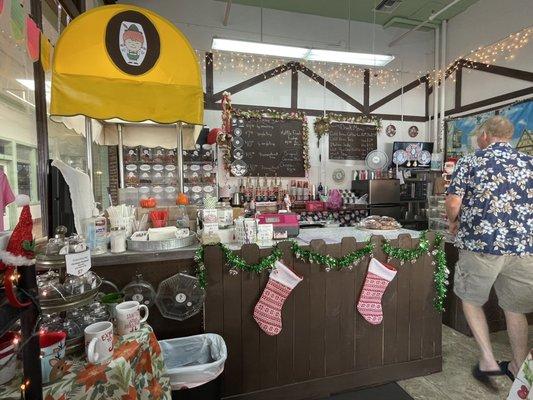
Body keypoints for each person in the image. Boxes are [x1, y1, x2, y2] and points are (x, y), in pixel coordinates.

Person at [445, 115, 533, 386]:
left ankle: (488, 359)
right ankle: (518, 366)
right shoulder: (530, 163)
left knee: (470, 299)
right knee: (515, 308)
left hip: (481, 245)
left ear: (484, 135)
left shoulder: (472, 161)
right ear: (509, 136)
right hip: (523, 248)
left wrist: (453, 221)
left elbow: (453, 202)